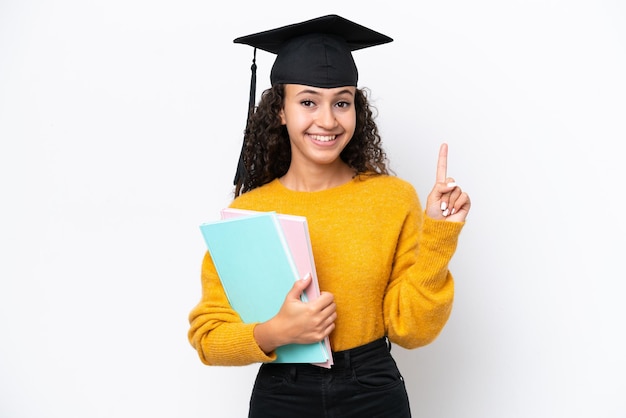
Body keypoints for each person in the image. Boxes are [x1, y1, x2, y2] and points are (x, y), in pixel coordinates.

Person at [188, 14, 471, 418]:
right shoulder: (248, 212)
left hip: (373, 389)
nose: (327, 120)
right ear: (280, 111)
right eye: (307, 102)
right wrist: (276, 332)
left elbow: (412, 331)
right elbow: (209, 337)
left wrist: (440, 237)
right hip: (282, 395)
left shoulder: (392, 199)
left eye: (342, 102)